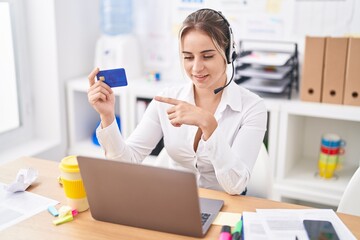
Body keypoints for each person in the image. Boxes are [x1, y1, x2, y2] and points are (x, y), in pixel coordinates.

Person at [87, 8, 267, 195]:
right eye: (188, 57)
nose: (196, 68)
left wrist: (209, 125)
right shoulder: (165, 101)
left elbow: (236, 186)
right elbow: (125, 164)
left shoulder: (252, 108)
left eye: (207, 56)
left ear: (229, 54)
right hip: (175, 202)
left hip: (226, 206)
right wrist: (107, 115)